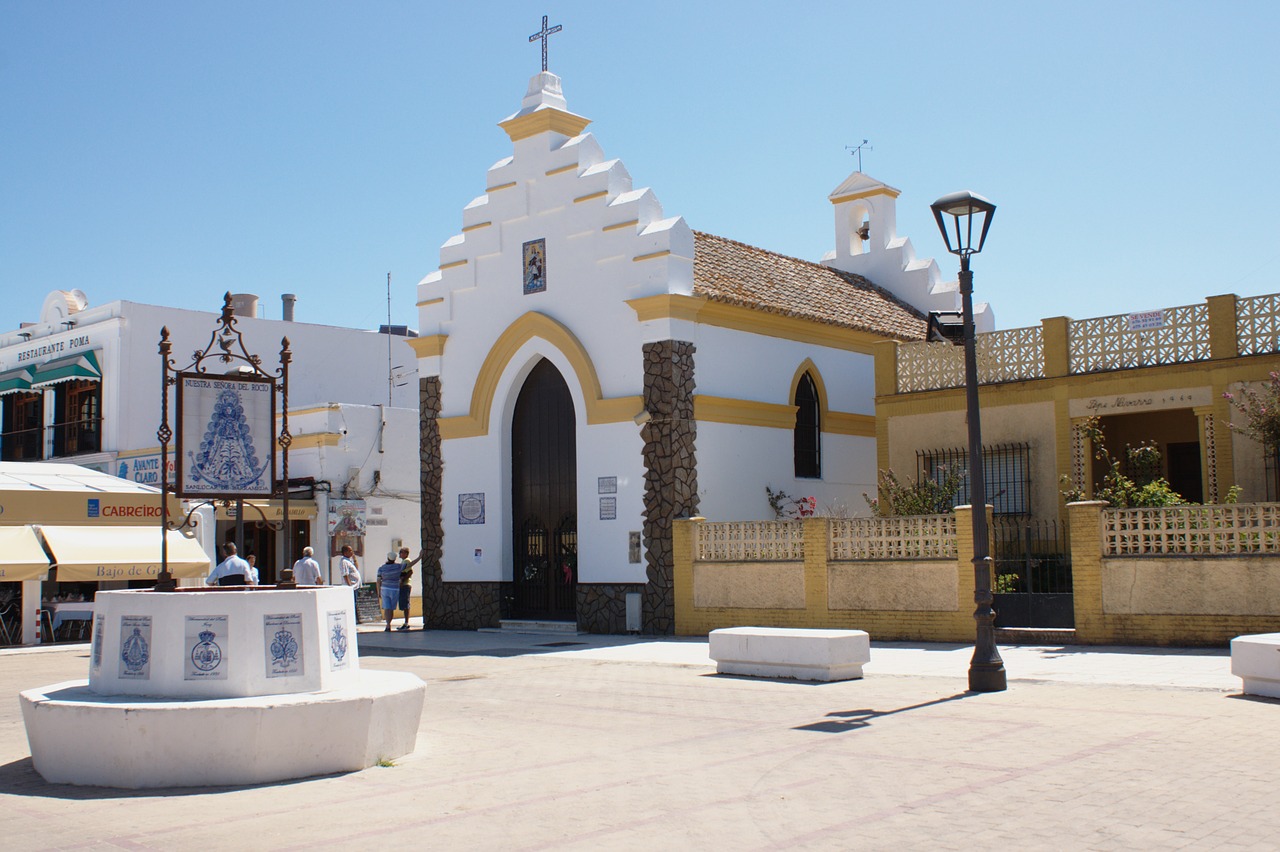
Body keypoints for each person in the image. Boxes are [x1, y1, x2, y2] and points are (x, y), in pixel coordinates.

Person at [397, 546, 422, 630]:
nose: (399, 554)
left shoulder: (407, 561)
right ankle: (405, 622)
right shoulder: (403, 561)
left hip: (405, 585)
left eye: (401, 552)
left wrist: (403, 580)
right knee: (403, 604)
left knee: (405, 603)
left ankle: (406, 622)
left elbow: (410, 571)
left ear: (405, 554)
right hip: (403, 584)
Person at [376, 552, 402, 632]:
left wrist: (378, 591)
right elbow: (410, 565)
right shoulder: (399, 567)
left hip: (385, 588)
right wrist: (419, 557)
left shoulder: (382, 568)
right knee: (391, 608)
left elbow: (378, 581)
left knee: (387, 608)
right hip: (395, 589)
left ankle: (388, 625)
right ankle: (389, 623)